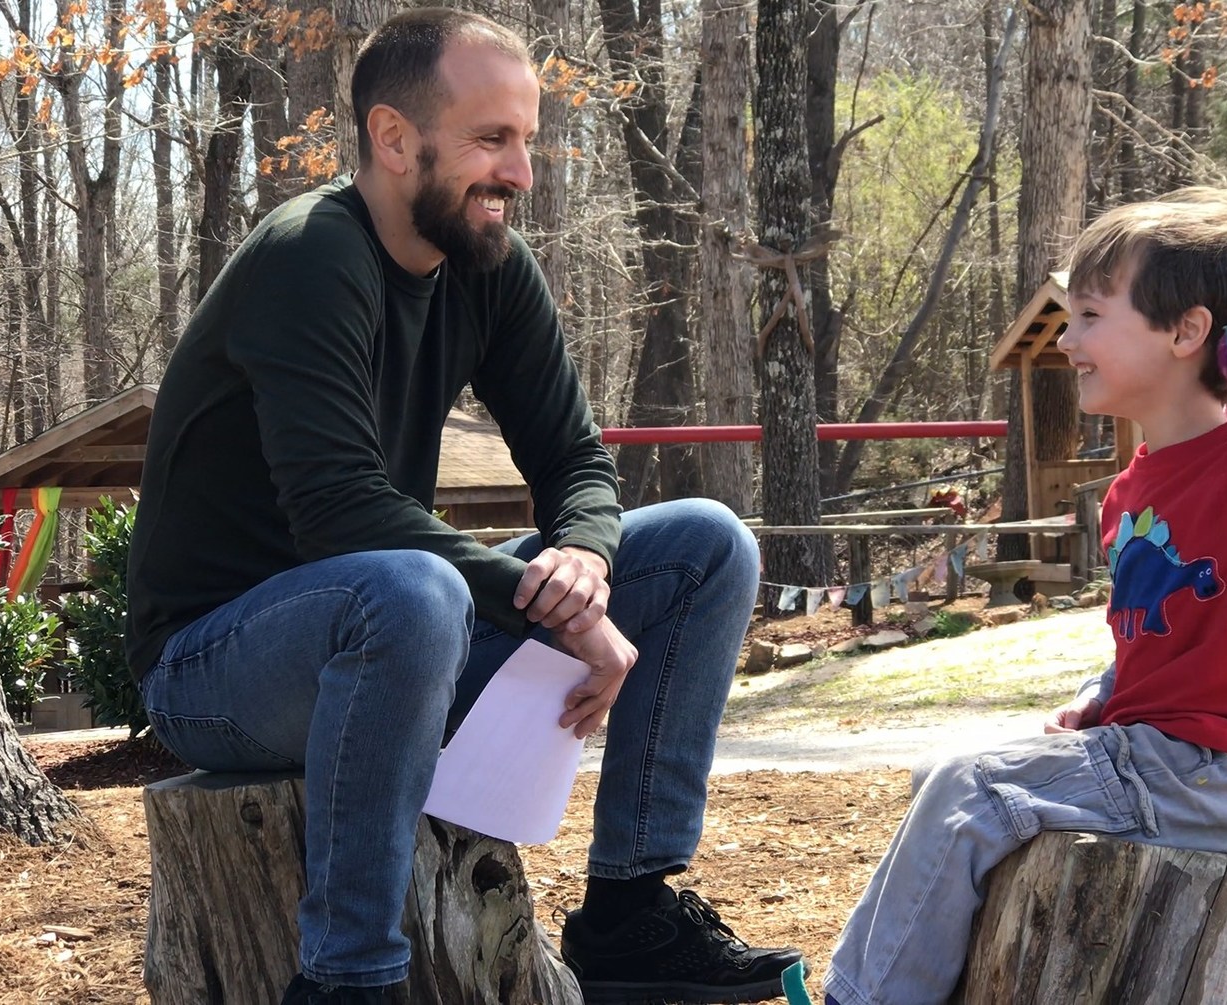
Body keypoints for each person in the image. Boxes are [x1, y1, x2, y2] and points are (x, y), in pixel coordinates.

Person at [124, 9, 802, 1004]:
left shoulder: (486, 265)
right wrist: (553, 606)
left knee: (705, 545)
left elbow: (575, 457)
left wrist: (585, 558)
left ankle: (630, 913)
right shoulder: (311, 254)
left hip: (394, 642)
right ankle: (349, 980)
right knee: (411, 593)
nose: (521, 174)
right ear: (395, 138)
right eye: (493, 139)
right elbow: (338, 509)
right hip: (215, 669)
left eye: (526, 139)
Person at [819, 188, 1227, 1005]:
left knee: (972, 791)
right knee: (942, 774)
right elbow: (1162, 635)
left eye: (1090, 315)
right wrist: (1102, 695)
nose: (1068, 338)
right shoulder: (1131, 491)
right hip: (1163, 754)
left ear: (1186, 332)